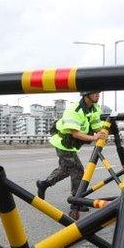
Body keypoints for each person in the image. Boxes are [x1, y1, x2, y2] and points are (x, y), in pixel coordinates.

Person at [36, 90, 108, 219]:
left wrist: (103, 132)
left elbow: (96, 125)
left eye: (99, 92)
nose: (98, 95)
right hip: (62, 143)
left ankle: (44, 184)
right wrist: (94, 137)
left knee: (65, 169)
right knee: (78, 170)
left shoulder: (94, 108)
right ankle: (76, 204)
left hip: (70, 144)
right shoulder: (74, 110)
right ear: (86, 94)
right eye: (95, 92)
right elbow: (75, 134)